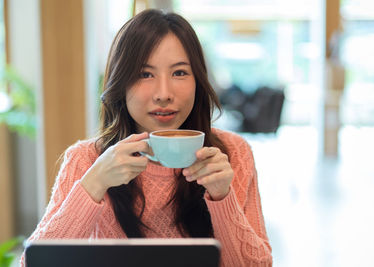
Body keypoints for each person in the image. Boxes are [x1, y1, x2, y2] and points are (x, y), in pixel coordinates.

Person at [21, 9, 272, 267]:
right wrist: (94, 183)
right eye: (145, 74)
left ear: (198, 81)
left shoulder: (233, 153)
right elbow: (34, 263)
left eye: (179, 73)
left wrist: (222, 197)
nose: (163, 94)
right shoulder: (86, 159)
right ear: (121, 83)